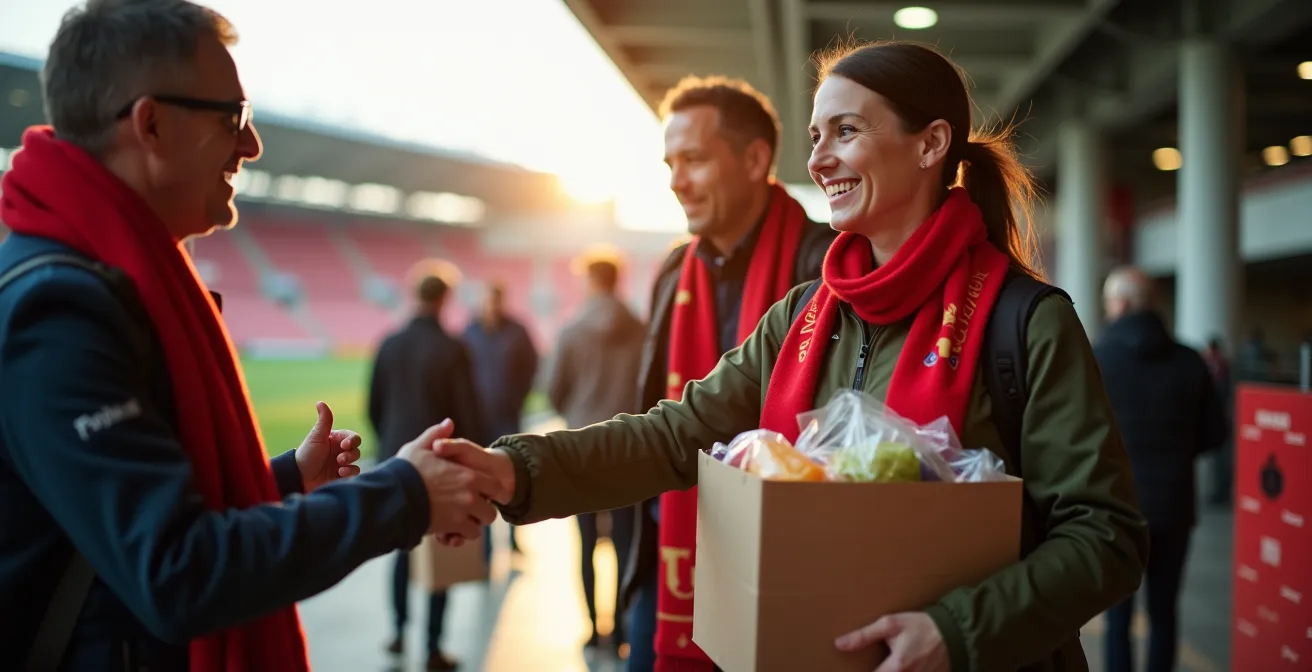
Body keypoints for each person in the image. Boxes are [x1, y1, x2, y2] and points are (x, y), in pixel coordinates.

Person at [434, 41, 1150, 672]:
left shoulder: (1025, 322)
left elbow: (1107, 537)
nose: (818, 159)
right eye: (814, 136)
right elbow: (674, 434)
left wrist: (954, 632)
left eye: (846, 131)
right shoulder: (804, 314)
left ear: (931, 144)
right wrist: (514, 469)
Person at [0, 2, 499, 669]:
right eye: (232, 117)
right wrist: (404, 494)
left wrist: (287, 480)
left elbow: (112, 526)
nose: (252, 145)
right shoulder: (60, 310)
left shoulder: (108, 279)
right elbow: (178, 571)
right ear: (150, 124)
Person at [616, 74, 836, 671]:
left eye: (693, 160)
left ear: (755, 158)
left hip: (782, 561)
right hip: (673, 547)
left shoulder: (823, 263)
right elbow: (655, 418)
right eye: (669, 163)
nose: (676, 181)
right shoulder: (671, 271)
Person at [1095, 266, 1228, 672]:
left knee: (1117, 617)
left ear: (1118, 304)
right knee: (1164, 613)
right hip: (1174, 504)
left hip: (1117, 506)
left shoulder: (1096, 358)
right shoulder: (1190, 362)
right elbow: (1215, 434)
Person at [369, 260, 483, 671]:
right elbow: (466, 414)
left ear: (417, 294)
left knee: (401, 550)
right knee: (441, 549)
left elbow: (374, 405)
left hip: (395, 460)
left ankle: (399, 632)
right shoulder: (453, 348)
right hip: (439, 461)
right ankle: (434, 647)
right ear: (445, 299)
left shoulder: (390, 342)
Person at [546, 247, 647, 656]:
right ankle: (622, 628)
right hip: (629, 447)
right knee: (626, 543)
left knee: (586, 542)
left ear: (590, 280)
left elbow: (554, 391)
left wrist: (577, 411)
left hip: (581, 448)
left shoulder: (571, 331)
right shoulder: (641, 328)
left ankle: (592, 628)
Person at [463, 280, 537, 557]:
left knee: (513, 477)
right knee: (480, 481)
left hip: (508, 416)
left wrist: (518, 396)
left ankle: (515, 536)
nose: (490, 306)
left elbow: (532, 366)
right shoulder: (469, 331)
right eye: (486, 300)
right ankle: (486, 547)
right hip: (478, 419)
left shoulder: (517, 330)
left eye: (494, 300)